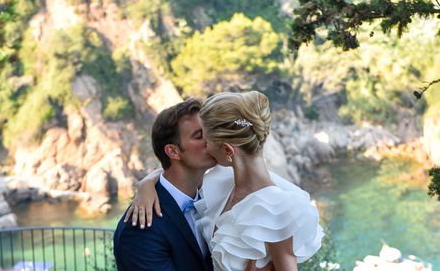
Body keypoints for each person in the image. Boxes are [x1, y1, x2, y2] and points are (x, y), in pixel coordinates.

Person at [127, 91, 323, 271]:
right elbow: (173, 171)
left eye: (208, 139)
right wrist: (146, 183)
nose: (206, 146)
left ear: (228, 150)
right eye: (200, 137)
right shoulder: (219, 183)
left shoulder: (277, 208)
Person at [113, 99, 216, 271]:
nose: (210, 141)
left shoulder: (215, 195)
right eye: (199, 136)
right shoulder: (141, 225)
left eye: (210, 132)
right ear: (173, 151)